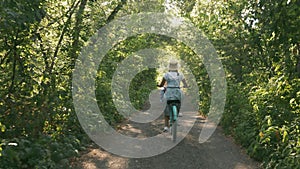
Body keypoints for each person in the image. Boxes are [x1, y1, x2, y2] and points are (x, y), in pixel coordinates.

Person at [157, 60, 188, 132]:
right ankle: (179, 112)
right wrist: (186, 86)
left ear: (169, 67)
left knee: (166, 107)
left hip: (169, 93)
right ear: (177, 67)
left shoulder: (166, 75)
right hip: (177, 93)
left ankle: (166, 126)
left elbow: (162, 84)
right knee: (181, 100)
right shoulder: (180, 75)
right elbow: (185, 84)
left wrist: (159, 85)